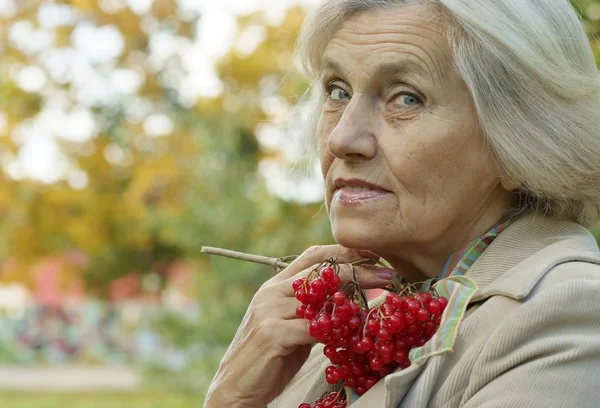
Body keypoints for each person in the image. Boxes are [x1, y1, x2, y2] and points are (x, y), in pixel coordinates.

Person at [204, 0, 600, 406]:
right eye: (337, 91)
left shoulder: (569, 315)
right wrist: (230, 398)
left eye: (405, 98)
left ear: (520, 143)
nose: (341, 138)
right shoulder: (339, 327)